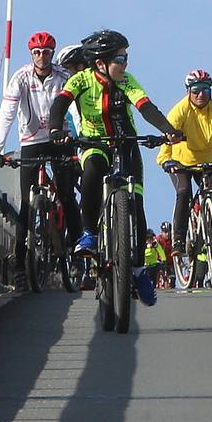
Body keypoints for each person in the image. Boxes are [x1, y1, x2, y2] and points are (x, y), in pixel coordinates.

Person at [46, 29, 182, 308]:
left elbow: (146, 107)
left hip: (126, 143)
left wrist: (168, 131)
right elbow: (60, 103)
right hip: (94, 142)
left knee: (138, 203)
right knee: (92, 173)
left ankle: (137, 271)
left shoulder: (127, 81)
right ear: (100, 63)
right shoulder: (81, 80)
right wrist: (56, 128)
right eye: (120, 59)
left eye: (126, 58)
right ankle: (89, 234)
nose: (125, 64)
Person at [0, 31, 79, 290]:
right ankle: (20, 264)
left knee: (66, 195)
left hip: (60, 139)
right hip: (30, 141)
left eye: (46, 52)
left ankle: (77, 253)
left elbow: (75, 109)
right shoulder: (20, 78)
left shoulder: (64, 77)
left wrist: (77, 139)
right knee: (27, 208)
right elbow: (7, 113)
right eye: (37, 53)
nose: (42, 57)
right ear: (31, 55)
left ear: (52, 53)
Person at [158, 69, 212, 255]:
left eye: (205, 89)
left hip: (205, 162)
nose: (200, 94)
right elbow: (168, 135)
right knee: (184, 192)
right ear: (188, 90)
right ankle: (179, 240)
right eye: (196, 90)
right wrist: (165, 159)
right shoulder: (180, 110)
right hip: (181, 163)